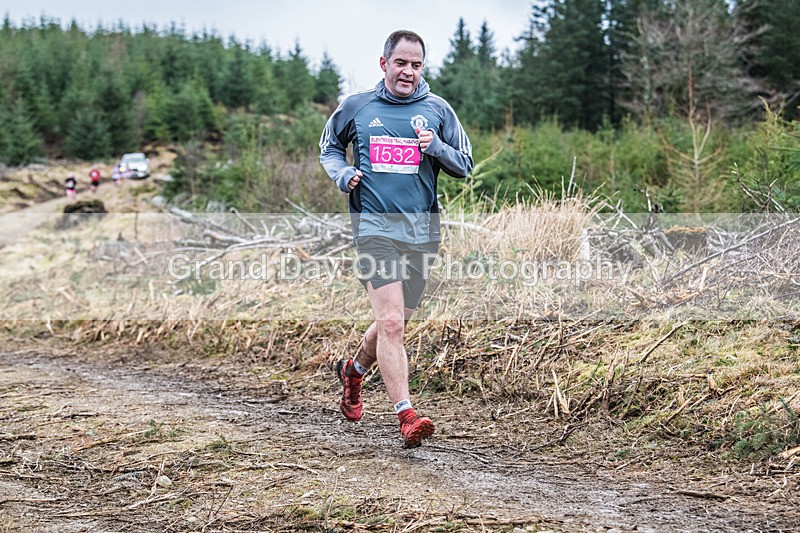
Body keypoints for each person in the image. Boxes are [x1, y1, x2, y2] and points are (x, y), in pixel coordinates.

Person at [319, 30, 473, 448]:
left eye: (416, 65)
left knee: (395, 324)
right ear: (383, 63)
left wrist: (436, 147)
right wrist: (342, 174)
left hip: (422, 233)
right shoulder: (356, 107)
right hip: (374, 228)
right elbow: (329, 147)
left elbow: (465, 163)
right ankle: (406, 414)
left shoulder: (438, 110)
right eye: (400, 63)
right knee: (389, 323)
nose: (408, 72)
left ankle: (353, 371)